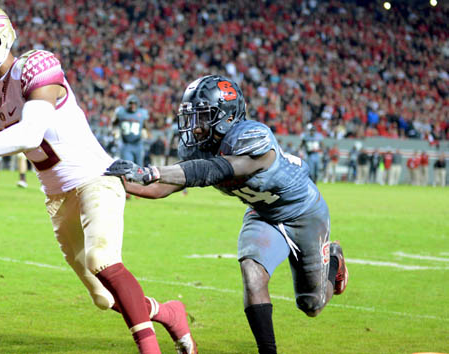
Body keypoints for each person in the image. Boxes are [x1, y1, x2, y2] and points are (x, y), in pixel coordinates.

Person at [0, 4, 196, 354]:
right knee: (105, 297)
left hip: (96, 179)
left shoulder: (35, 66)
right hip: (57, 197)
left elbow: (29, 134)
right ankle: (169, 313)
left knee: (101, 259)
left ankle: (150, 350)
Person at [106, 75, 348, 354]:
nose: (195, 127)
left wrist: (152, 171)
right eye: (192, 117)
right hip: (262, 213)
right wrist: (120, 181)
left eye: (203, 117)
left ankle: (333, 261)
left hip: (304, 214)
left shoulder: (253, 138)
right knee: (252, 272)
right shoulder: (200, 145)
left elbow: (219, 169)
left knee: (311, 305)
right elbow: (165, 187)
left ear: (227, 117)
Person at [113, 94, 149, 167]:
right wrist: (115, 130)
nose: (133, 106)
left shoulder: (142, 113)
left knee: (139, 168)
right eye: (130, 103)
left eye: (134, 103)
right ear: (127, 104)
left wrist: (145, 131)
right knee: (128, 166)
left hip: (138, 144)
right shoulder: (121, 112)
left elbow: (145, 125)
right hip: (126, 144)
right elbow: (114, 123)